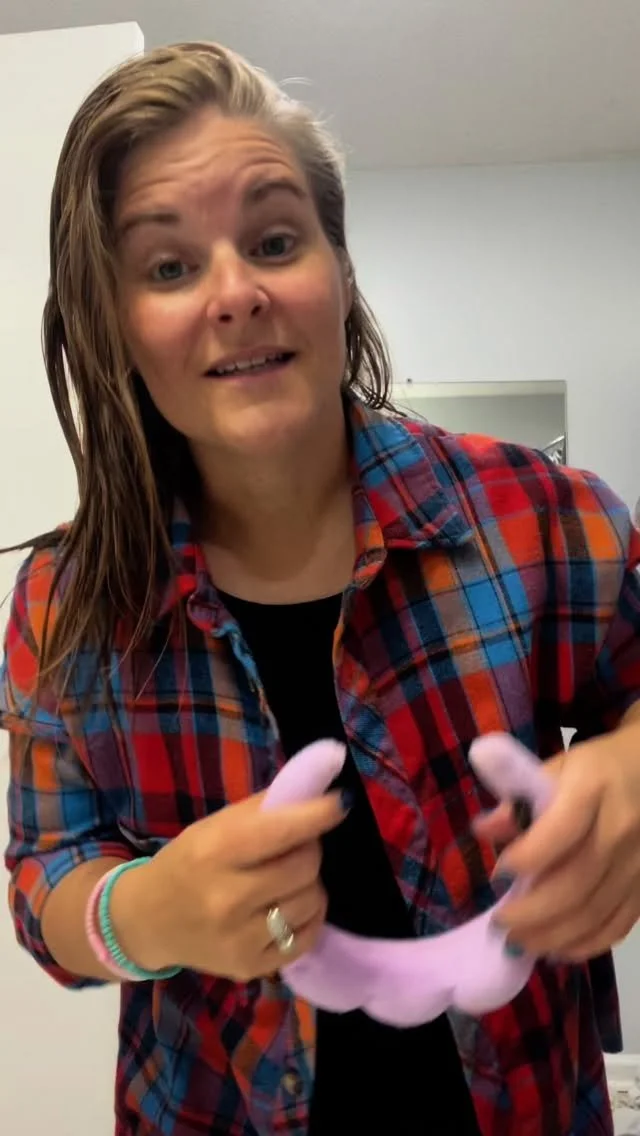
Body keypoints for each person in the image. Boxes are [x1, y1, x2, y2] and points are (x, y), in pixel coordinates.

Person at [2, 40, 640, 1136]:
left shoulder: (537, 512)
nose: (236, 294)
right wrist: (148, 910)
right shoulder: (66, 601)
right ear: (113, 324)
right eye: (168, 267)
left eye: (274, 240)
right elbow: (45, 878)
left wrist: (632, 771)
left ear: (338, 271)